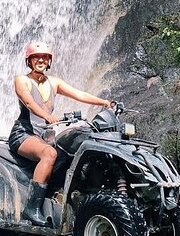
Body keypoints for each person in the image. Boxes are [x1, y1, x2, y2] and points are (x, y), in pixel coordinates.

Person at [8, 42, 113, 226]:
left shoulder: (54, 83)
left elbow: (78, 94)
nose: (41, 60)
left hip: (43, 136)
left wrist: (103, 102)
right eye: (36, 57)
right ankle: (31, 209)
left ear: (49, 61)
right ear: (29, 60)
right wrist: (47, 116)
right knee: (49, 154)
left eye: (45, 57)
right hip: (23, 134)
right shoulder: (22, 80)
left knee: (70, 151)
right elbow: (29, 102)